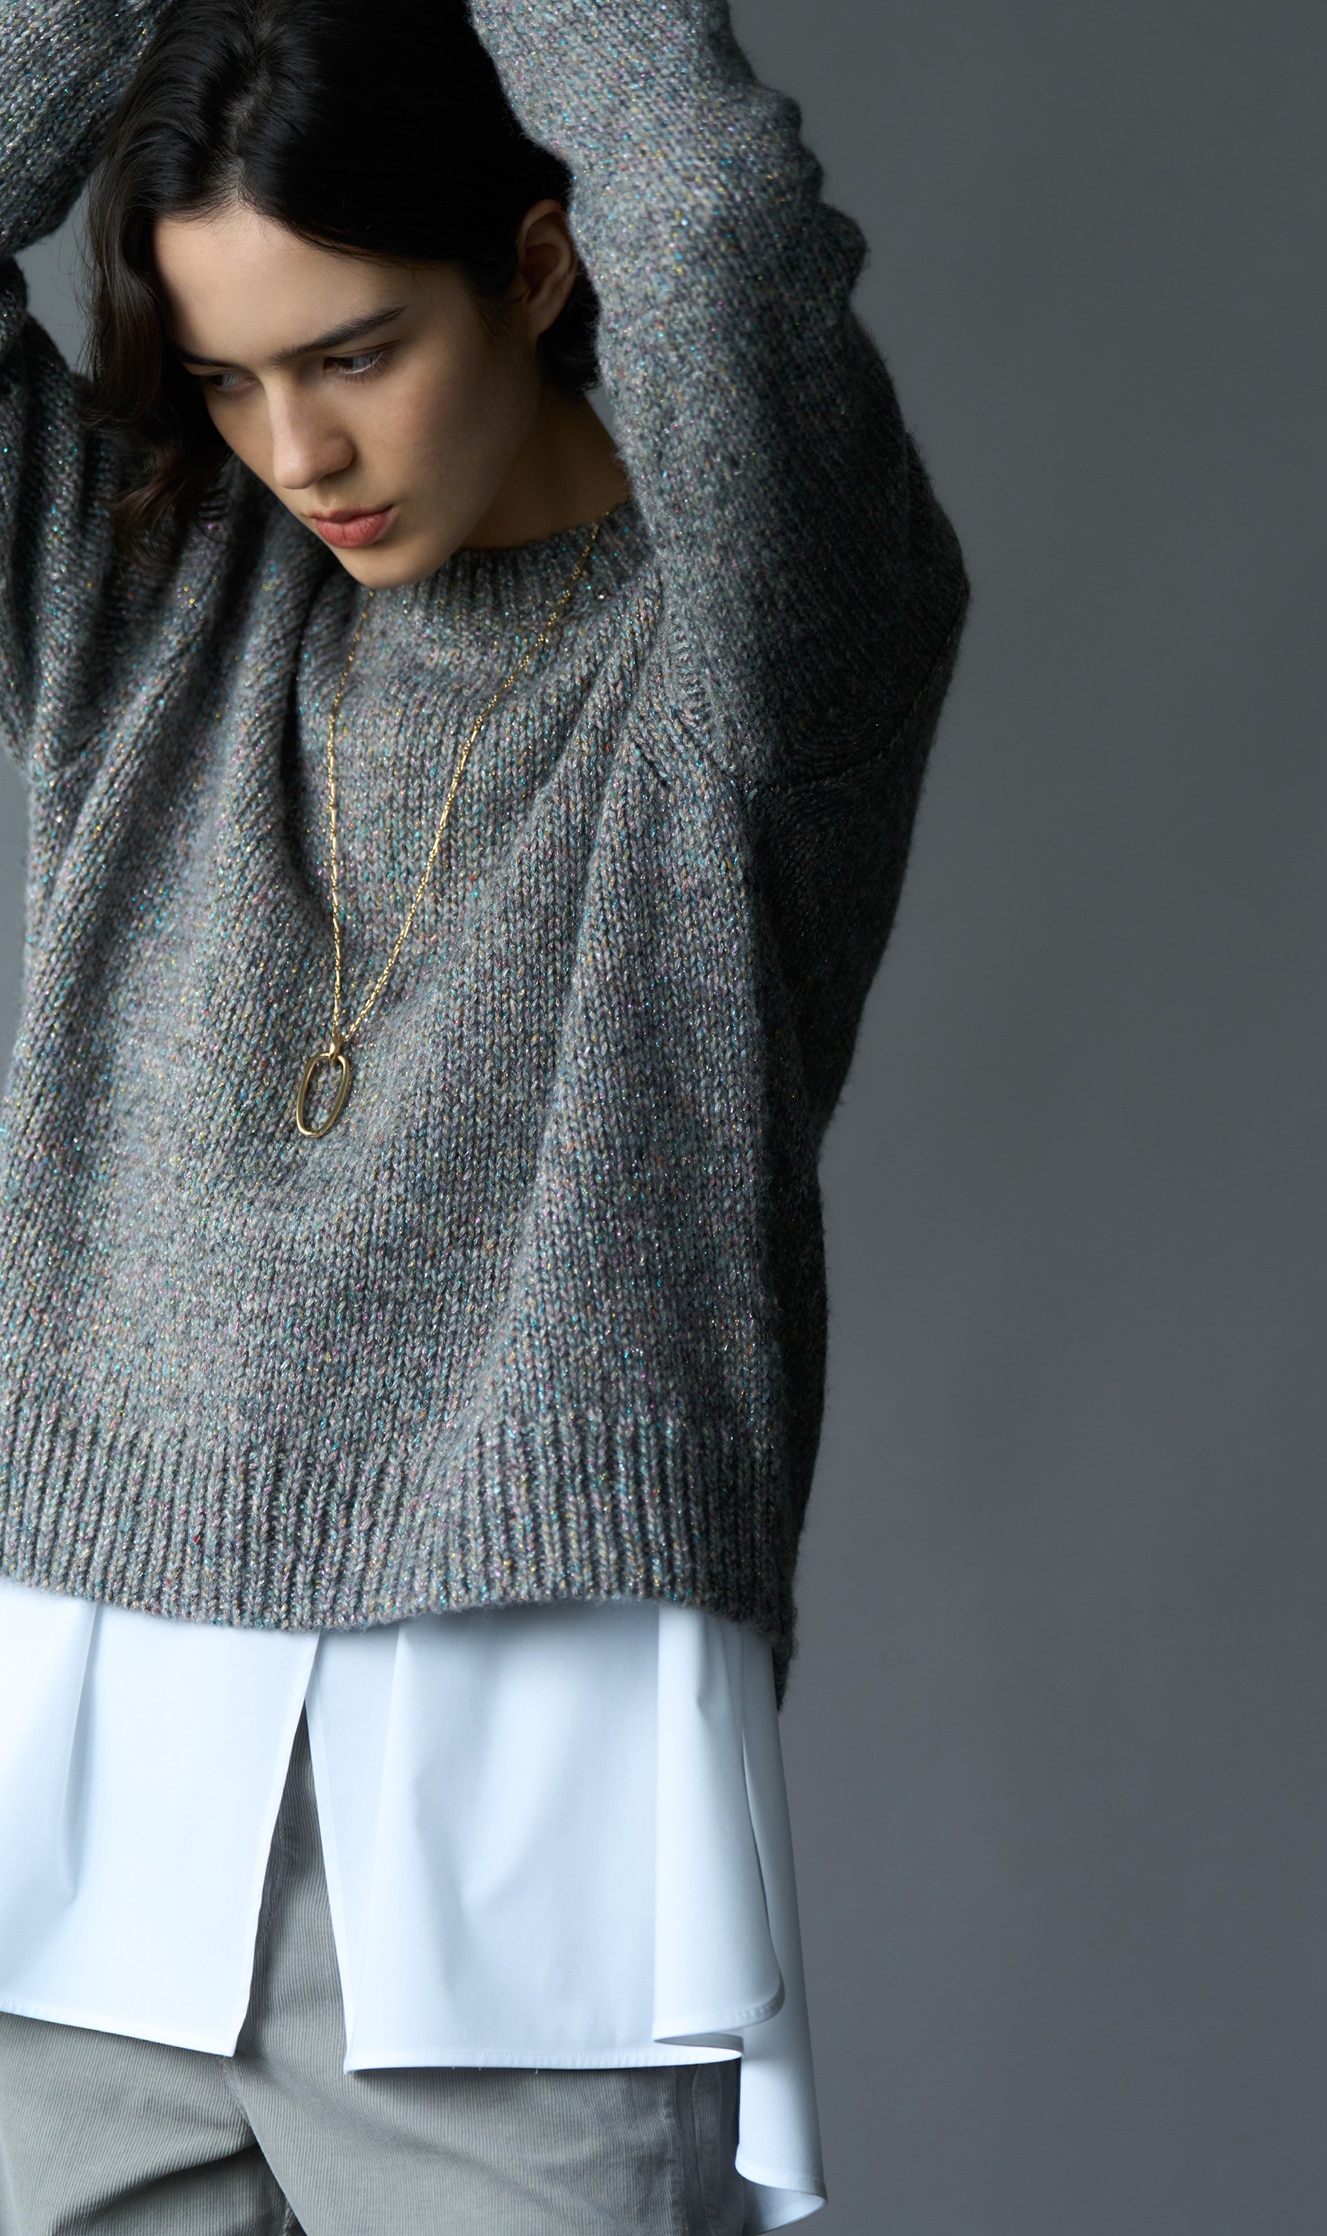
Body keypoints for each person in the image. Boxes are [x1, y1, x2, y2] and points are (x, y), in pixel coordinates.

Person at [0, 0, 967, 2229]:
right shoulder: (151, 607)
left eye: (353, 352)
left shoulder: (753, 659)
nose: (296, 448)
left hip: (511, 1832)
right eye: (228, 379)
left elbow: (714, 216)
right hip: (88, 1799)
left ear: (534, 266)